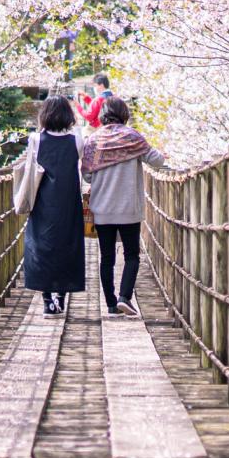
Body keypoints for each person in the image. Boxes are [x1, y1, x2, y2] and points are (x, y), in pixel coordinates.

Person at [81, 96, 165, 317]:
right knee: (131, 255)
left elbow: (87, 176)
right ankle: (124, 297)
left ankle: (110, 304)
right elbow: (157, 160)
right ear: (125, 114)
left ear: (102, 115)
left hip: (103, 208)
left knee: (107, 258)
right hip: (129, 207)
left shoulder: (94, 141)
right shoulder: (132, 137)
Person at [21, 95, 87, 315]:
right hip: (69, 202)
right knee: (68, 246)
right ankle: (61, 296)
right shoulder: (77, 139)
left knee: (42, 246)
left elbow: (31, 169)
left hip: (43, 201)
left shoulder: (36, 140)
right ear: (68, 115)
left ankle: (47, 299)